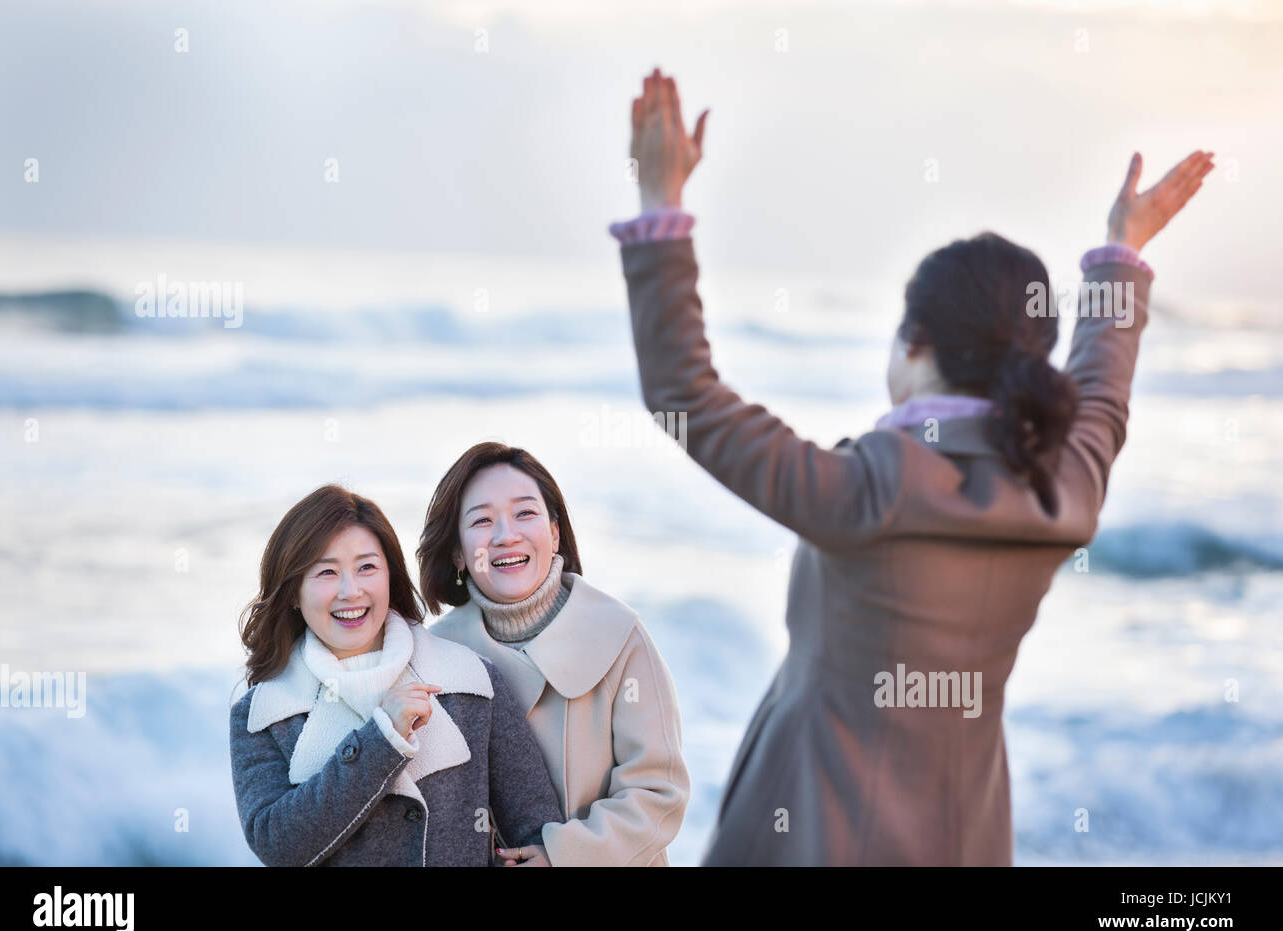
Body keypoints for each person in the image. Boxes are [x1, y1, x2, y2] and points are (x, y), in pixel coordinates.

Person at [611, 66, 1213, 864]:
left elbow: (683, 393)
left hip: (816, 832)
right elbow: (1102, 385)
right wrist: (1121, 255)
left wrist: (663, 204)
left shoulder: (866, 491)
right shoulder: (1064, 484)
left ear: (916, 342)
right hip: (963, 838)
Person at [229, 484, 562, 866]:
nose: (350, 591)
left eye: (367, 567)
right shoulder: (264, 712)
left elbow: (535, 825)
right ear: (292, 592)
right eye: (326, 572)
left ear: (390, 577)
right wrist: (381, 739)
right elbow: (280, 848)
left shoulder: (469, 680)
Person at [419, 443, 689, 865]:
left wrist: (563, 857)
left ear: (555, 531)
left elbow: (660, 793)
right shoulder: (436, 658)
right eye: (483, 520)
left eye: (525, 513)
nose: (506, 535)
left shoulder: (619, 635)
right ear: (457, 552)